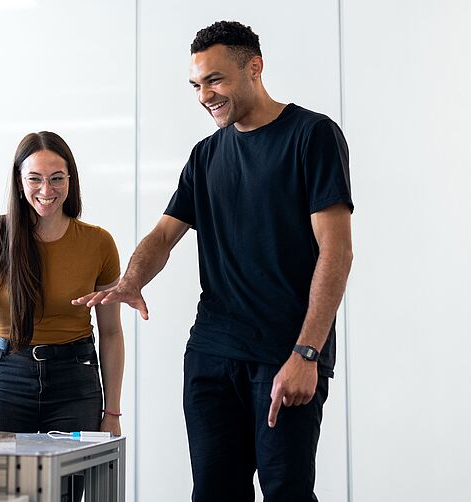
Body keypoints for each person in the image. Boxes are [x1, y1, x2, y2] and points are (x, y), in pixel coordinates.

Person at [73, 21, 353, 501]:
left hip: (285, 355)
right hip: (211, 355)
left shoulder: (312, 136)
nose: (205, 94)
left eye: (215, 80)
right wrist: (131, 280)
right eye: (197, 84)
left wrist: (307, 353)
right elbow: (164, 235)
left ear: (254, 68)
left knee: (287, 492)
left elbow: (337, 252)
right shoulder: (205, 155)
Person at [0, 131, 125, 441]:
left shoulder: (99, 243)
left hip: (75, 379)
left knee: (66, 488)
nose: (46, 190)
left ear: (70, 180)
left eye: (57, 178)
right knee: (2, 484)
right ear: (19, 182)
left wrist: (112, 412)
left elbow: (112, 332)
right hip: (6, 374)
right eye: (34, 179)